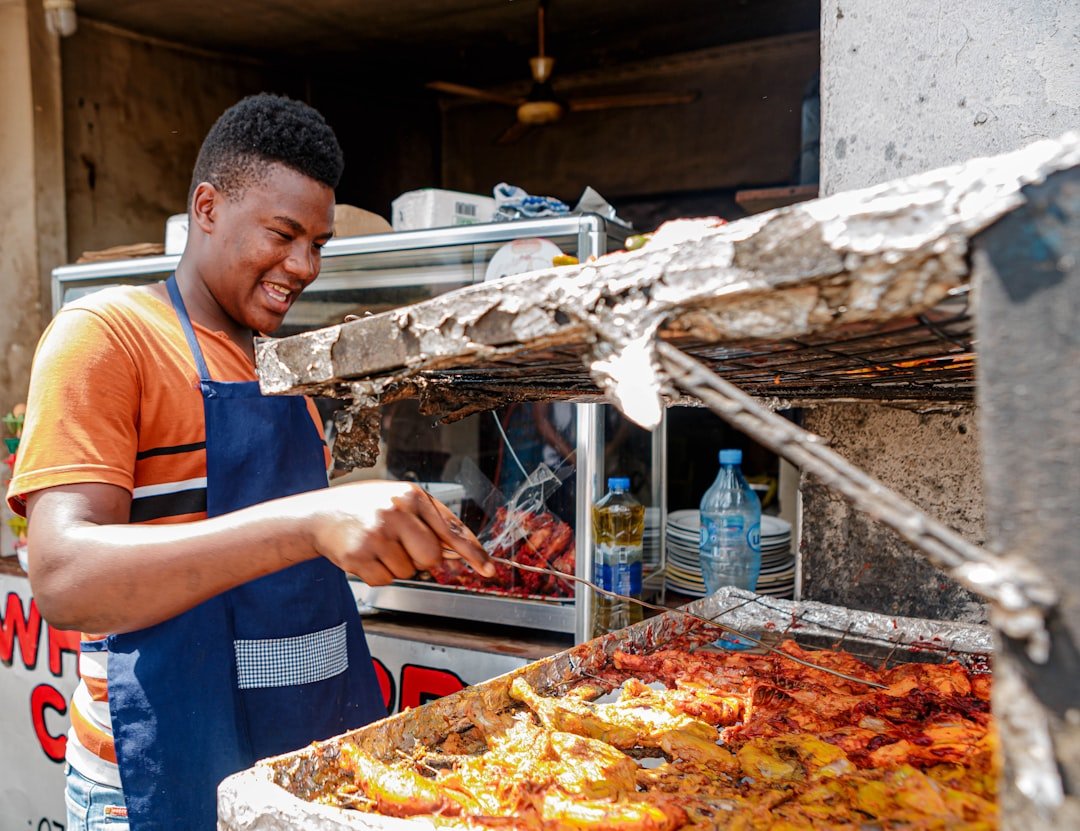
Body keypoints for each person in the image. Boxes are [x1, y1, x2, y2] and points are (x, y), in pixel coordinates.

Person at [7, 93, 492, 831]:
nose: (304, 266)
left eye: (319, 243)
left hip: (297, 770)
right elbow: (63, 579)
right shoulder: (107, 336)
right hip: (159, 777)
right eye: (284, 233)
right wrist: (308, 521)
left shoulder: (280, 373)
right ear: (207, 206)